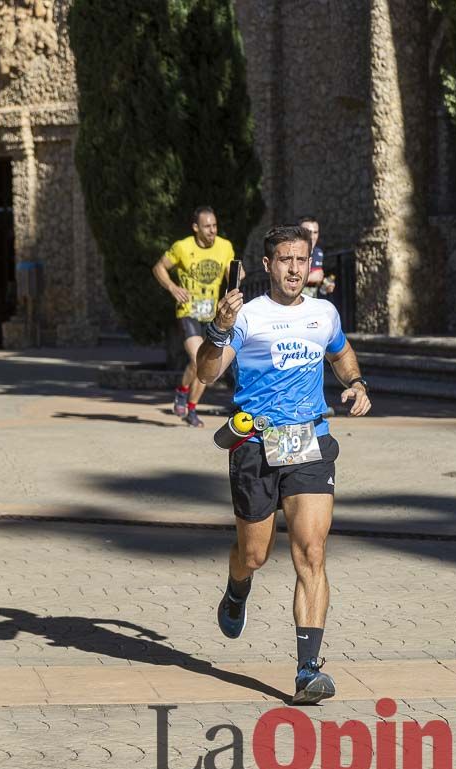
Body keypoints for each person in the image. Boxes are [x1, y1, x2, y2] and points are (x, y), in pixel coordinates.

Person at [195, 224, 371, 705]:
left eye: (302, 260)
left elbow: (341, 354)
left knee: (311, 553)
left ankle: (308, 669)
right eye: (285, 260)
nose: (295, 269)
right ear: (268, 265)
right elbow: (207, 373)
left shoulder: (324, 313)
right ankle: (237, 588)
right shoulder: (249, 317)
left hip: (310, 442)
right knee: (254, 554)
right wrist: (218, 329)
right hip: (255, 446)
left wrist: (355, 382)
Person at [151, 206, 237, 427]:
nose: (212, 231)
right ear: (195, 228)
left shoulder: (225, 247)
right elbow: (159, 267)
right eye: (207, 226)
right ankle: (187, 403)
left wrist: (234, 284)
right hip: (189, 312)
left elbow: (234, 276)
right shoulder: (182, 247)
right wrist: (172, 287)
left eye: (215, 226)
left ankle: (188, 402)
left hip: (211, 315)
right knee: (198, 358)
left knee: (203, 363)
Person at [296, 216, 325, 299]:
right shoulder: (290, 253)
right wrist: (311, 277)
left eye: (315, 232)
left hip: (311, 305)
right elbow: (282, 281)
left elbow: (315, 283)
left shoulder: (318, 253)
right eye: (308, 232)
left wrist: (324, 286)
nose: (312, 236)